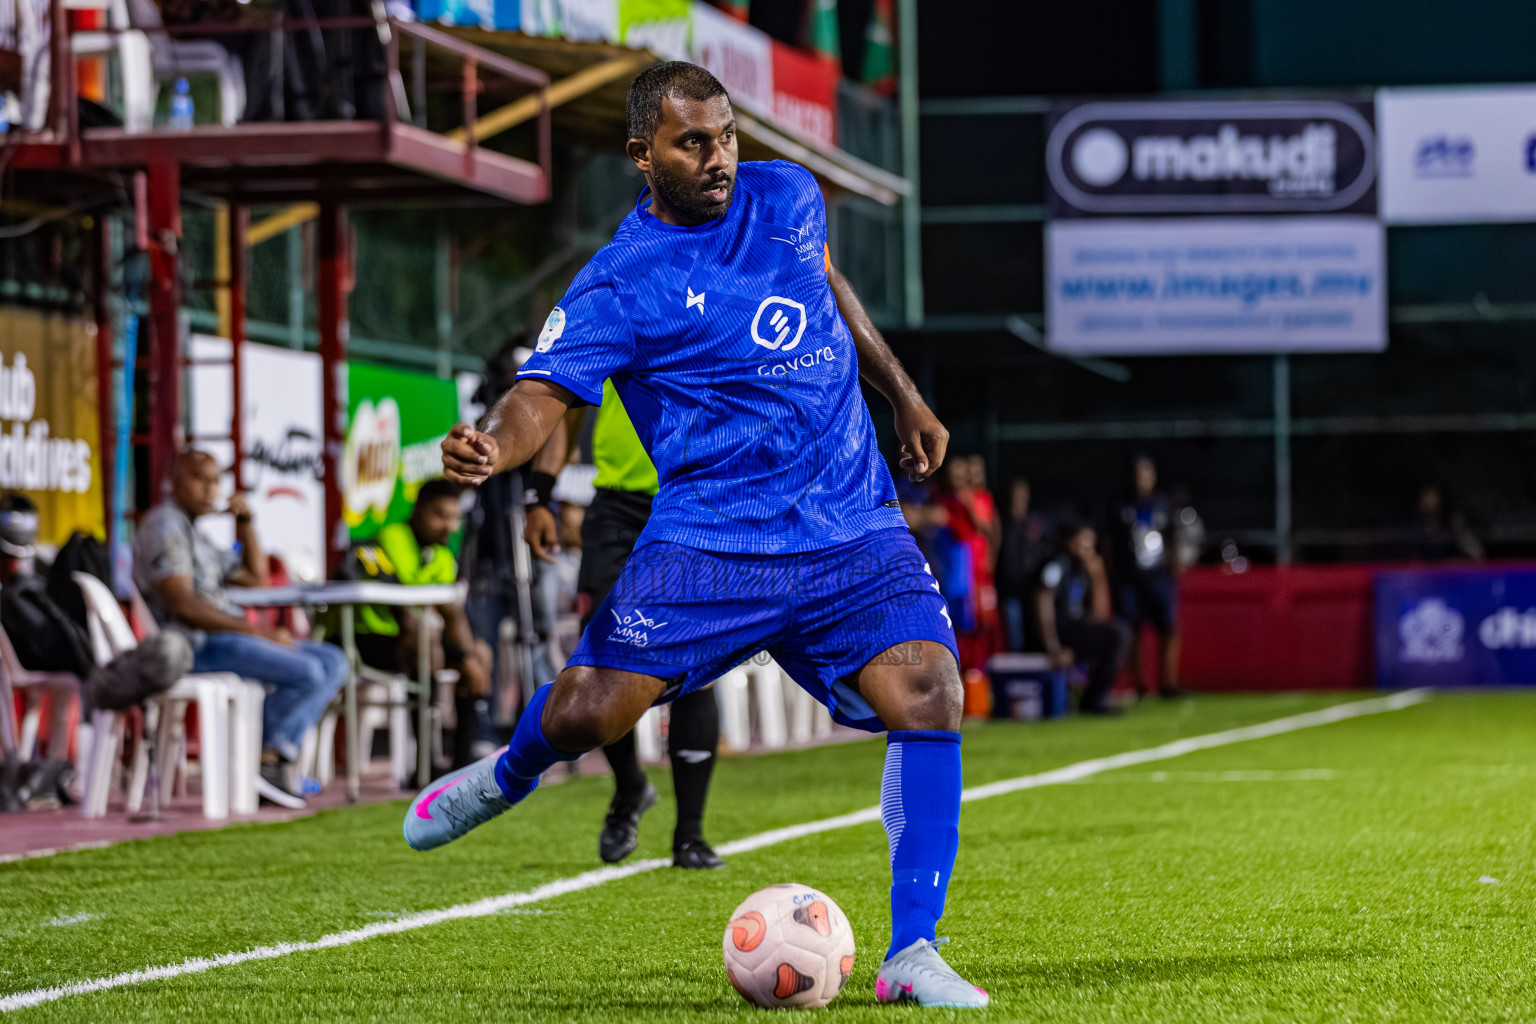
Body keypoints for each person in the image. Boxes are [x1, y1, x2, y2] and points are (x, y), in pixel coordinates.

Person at [407, 61, 987, 1008]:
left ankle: (911, 951)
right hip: (710, 540)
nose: (719, 159)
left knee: (929, 693)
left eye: (725, 137)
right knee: (590, 712)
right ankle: (509, 773)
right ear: (643, 156)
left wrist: (904, 393)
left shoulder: (790, 193)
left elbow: (829, 285)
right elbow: (539, 394)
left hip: (848, 520)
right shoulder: (619, 284)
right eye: (692, 143)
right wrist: (490, 447)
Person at [525, 380, 725, 871]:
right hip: (615, 506)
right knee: (601, 660)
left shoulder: (723, 313)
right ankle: (631, 787)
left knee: (692, 661)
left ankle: (690, 835)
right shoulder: (618, 306)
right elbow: (569, 402)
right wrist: (540, 493)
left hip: (694, 501)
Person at [134, 449, 349, 807]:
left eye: (215, 480)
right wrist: (259, 633)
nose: (209, 489)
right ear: (173, 480)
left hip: (225, 638)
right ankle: (267, 762)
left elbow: (255, 577)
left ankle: (269, 755)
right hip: (194, 645)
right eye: (199, 478)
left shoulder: (195, 532)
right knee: (309, 670)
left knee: (334, 660)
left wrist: (246, 521)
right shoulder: (165, 525)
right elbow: (183, 606)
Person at [349, 478, 495, 770]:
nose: (450, 527)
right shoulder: (393, 536)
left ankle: (462, 763)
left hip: (413, 639)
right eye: (441, 516)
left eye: (455, 519)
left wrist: (469, 658)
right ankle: (425, 765)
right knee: (425, 644)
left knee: (480, 654)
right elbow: (405, 597)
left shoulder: (441, 553)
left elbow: (451, 611)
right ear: (419, 510)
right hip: (371, 639)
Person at [1036, 521, 1124, 715]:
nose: (1088, 546)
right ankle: (1092, 700)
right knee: (1113, 636)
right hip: (1061, 631)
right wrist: (1053, 647)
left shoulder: (1081, 568)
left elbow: (1098, 615)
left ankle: (1094, 697)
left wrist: (1097, 573)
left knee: (1114, 634)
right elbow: (1043, 599)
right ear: (1071, 541)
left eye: (1092, 542)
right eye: (1083, 540)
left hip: (1076, 628)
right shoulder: (1058, 564)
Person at [1114, 454, 1183, 699]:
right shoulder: (1121, 505)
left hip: (1158, 575)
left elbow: (1174, 537)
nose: (1141, 479)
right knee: (1133, 628)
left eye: (1145, 474)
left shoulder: (1163, 504)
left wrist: (1173, 568)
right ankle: (1140, 684)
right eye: (1137, 474)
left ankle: (1169, 683)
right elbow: (1109, 542)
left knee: (1168, 626)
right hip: (1130, 575)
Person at [995, 477, 1052, 653]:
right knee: (1015, 640)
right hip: (1009, 593)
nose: (1019, 500)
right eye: (1015, 495)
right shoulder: (1000, 525)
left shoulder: (1034, 527)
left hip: (1031, 593)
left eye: (1022, 495)